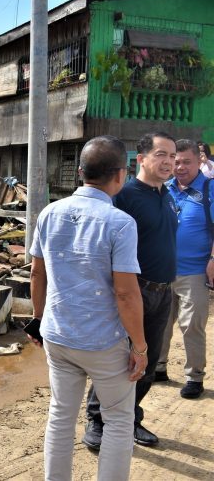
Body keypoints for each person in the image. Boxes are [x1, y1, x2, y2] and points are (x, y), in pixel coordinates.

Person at [30, 135, 147, 481]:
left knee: (60, 416)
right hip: (102, 342)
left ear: (80, 172)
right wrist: (140, 347)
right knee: (118, 419)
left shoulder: (49, 213)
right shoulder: (120, 223)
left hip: (57, 335)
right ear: (121, 175)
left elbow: (37, 273)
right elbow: (126, 294)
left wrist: (37, 319)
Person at [82, 132, 178, 450]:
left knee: (147, 362)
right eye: (161, 154)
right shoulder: (124, 195)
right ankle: (97, 421)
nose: (169, 162)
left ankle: (131, 418)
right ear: (141, 159)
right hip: (133, 292)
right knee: (118, 361)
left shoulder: (168, 195)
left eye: (172, 156)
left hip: (163, 292)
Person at [156, 139, 213, 399]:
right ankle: (158, 367)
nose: (180, 167)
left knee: (192, 326)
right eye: (176, 162)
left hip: (195, 272)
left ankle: (194, 377)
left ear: (199, 161)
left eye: (186, 162)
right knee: (161, 323)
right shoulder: (163, 189)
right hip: (163, 271)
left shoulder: (210, 189)